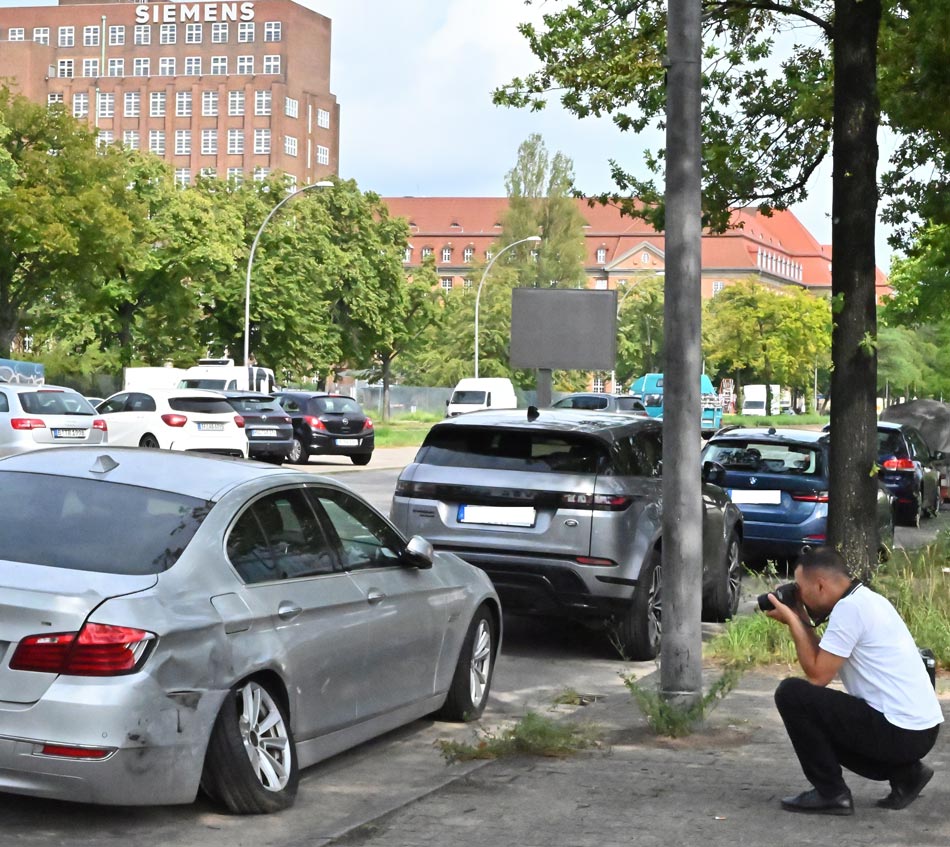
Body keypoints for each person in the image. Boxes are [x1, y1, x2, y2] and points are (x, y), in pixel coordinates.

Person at [766, 547, 943, 816]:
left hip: (901, 731)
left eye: (800, 589)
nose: (798, 595)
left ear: (821, 585)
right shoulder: (865, 600)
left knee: (791, 694)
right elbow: (820, 659)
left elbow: (817, 676)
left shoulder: (850, 610)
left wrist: (793, 620)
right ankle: (906, 773)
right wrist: (801, 618)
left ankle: (831, 793)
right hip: (919, 730)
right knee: (818, 715)